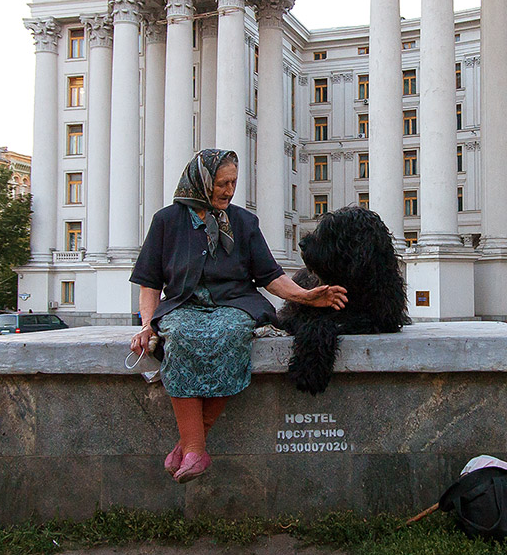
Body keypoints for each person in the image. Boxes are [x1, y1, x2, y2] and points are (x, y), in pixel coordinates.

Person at [130, 149, 347, 483]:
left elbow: (270, 276)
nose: (229, 190)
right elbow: (148, 282)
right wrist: (147, 325)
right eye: (222, 183)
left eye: (233, 182)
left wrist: (306, 297)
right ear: (201, 182)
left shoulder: (244, 222)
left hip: (236, 305)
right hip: (183, 306)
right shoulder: (166, 221)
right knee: (182, 336)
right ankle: (195, 448)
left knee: (230, 335)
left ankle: (191, 447)